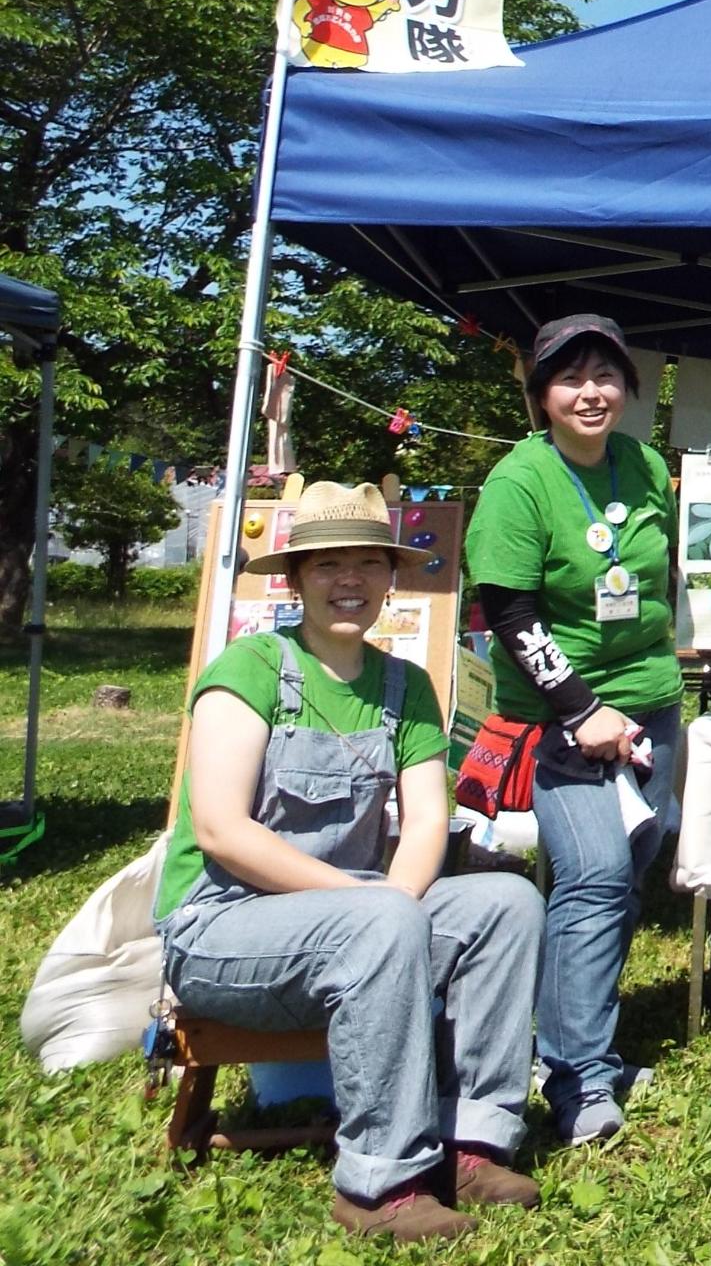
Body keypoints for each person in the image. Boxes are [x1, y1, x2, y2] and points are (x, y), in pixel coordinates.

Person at [157, 481, 545, 1243]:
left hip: (359, 922)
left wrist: (392, 908)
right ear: (294, 579)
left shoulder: (405, 687)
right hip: (222, 933)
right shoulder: (251, 670)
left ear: (391, 578)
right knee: (381, 916)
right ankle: (381, 1185)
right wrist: (375, 909)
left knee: (506, 902)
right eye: (327, 563)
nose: (349, 580)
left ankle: (470, 1143)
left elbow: (430, 820)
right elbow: (222, 831)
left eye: (368, 563)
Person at [466, 312, 682, 1146]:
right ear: (540, 395)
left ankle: (582, 1037)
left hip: (653, 703)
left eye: (605, 377)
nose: (589, 393)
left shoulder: (645, 463)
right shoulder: (520, 481)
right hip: (563, 717)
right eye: (569, 378)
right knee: (590, 878)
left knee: (629, 870)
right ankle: (576, 1078)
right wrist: (583, 709)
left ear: (628, 387)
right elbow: (509, 610)